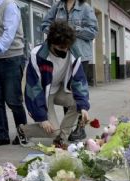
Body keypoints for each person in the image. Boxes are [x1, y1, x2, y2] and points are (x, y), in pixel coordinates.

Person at [20, 21, 90, 146]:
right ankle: (23, 131)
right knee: (51, 131)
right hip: (43, 94)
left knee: (78, 104)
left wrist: (84, 107)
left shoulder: (74, 53)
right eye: (61, 48)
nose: (65, 50)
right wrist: (42, 118)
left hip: (59, 89)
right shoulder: (38, 55)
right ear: (51, 42)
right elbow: (34, 88)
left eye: (67, 47)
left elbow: (79, 81)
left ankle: (61, 139)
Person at [40, 0, 98, 142]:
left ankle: (80, 128)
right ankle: (69, 128)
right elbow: (44, 25)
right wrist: (57, 34)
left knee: (76, 89)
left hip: (79, 55)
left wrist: (72, 31)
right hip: (60, 53)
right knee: (66, 92)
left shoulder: (85, 8)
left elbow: (93, 31)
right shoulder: (57, 7)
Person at [0, 0, 30, 148]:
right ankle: (2, 136)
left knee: (13, 100)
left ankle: (23, 134)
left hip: (12, 59)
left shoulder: (9, 6)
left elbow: (10, 32)